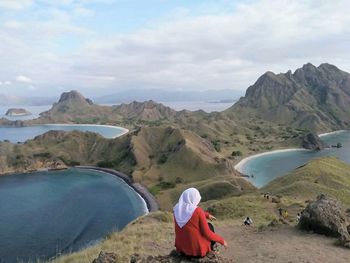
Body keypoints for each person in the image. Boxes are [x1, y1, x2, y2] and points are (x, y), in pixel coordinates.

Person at [173, 188, 228, 257]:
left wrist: (207, 215)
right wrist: (222, 241)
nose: (198, 202)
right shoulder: (197, 211)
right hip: (196, 251)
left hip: (181, 249)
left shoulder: (176, 210)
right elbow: (207, 233)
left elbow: (188, 213)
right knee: (209, 226)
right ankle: (212, 248)